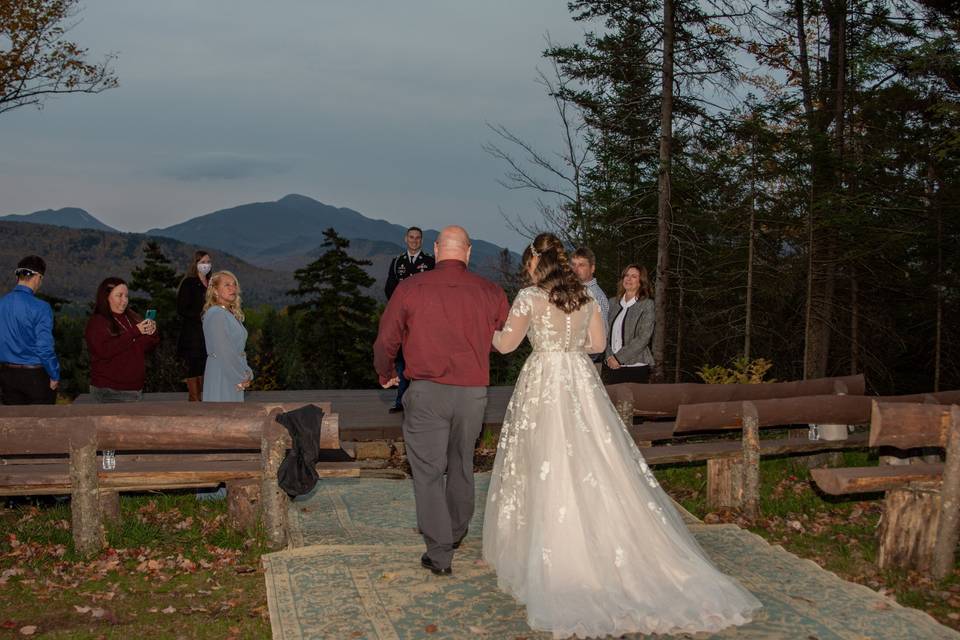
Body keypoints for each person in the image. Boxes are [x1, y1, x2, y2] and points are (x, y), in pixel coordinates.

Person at [483, 233, 761, 638]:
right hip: (579, 379)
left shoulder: (529, 297)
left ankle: (551, 556)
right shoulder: (587, 297)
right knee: (593, 458)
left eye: (528, 263)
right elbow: (597, 344)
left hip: (544, 380)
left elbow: (507, 347)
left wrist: (487, 330)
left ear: (534, 263)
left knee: (542, 461)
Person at [374, 225, 508, 576]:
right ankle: (456, 532)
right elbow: (502, 336)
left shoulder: (410, 288)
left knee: (428, 472)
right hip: (472, 393)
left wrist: (385, 370)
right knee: (461, 464)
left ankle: (440, 551)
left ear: (436, 248)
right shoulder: (490, 291)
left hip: (427, 391)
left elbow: (386, 338)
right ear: (468, 251)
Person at [384, 226, 435, 413]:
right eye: (411, 237)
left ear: (421, 240)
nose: (414, 240)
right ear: (406, 239)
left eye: (418, 238)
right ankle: (401, 402)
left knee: (423, 358)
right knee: (402, 360)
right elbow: (389, 288)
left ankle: (424, 402)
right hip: (403, 319)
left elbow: (436, 288)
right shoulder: (397, 262)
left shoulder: (430, 262)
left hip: (425, 318)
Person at [84, 277, 159, 402]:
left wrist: (152, 333)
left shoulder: (131, 317)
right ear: (106, 297)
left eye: (126, 296)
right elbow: (103, 351)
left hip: (135, 389)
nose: (124, 300)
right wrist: (135, 332)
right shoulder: (97, 322)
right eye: (119, 295)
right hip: (109, 391)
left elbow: (144, 347)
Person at [0, 256, 60, 405]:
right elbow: (44, 348)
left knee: (14, 425)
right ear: (37, 276)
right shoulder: (41, 307)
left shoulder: (2, 303)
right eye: (41, 278)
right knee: (42, 424)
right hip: (35, 377)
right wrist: (54, 374)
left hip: (6, 375)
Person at [201, 271, 253, 402]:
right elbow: (224, 351)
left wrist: (247, 373)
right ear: (215, 290)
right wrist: (241, 376)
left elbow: (238, 351)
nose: (233, 288)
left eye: (234, 284)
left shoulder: (228, 313)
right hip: (223, 373)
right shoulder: (216, 314)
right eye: (227, 285)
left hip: (233, 371)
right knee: (223, 417)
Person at [603, 263, 655, 384]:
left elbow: (643, 338)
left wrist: (618, 358)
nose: (628, 279)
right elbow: (605, 332)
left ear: (641, 282)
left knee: (633, 403)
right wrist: (610, 357)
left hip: (635, 367)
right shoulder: (612, 303)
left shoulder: (647, 305)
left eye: (634, 276)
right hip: (611, 366)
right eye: (626, 275)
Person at [177, 250, 212, 401]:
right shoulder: (189, 283)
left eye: (208, 262)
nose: (206, 265)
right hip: (193, 335)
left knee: (207, 365)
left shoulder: (212, 283)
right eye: (203, 262)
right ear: (195, 264)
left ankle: (207, 398)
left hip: (209, 334)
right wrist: (201, 316)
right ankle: (194, 400)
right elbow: (182, 308)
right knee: (194, 366)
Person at [570, 247, 608, 370]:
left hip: (588, 361)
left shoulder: (595, 295)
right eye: (573, 265)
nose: (575, 269)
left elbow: (603, 333)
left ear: (592, 268)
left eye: (581, 265)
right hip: (573, 359)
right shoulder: (572, 292)